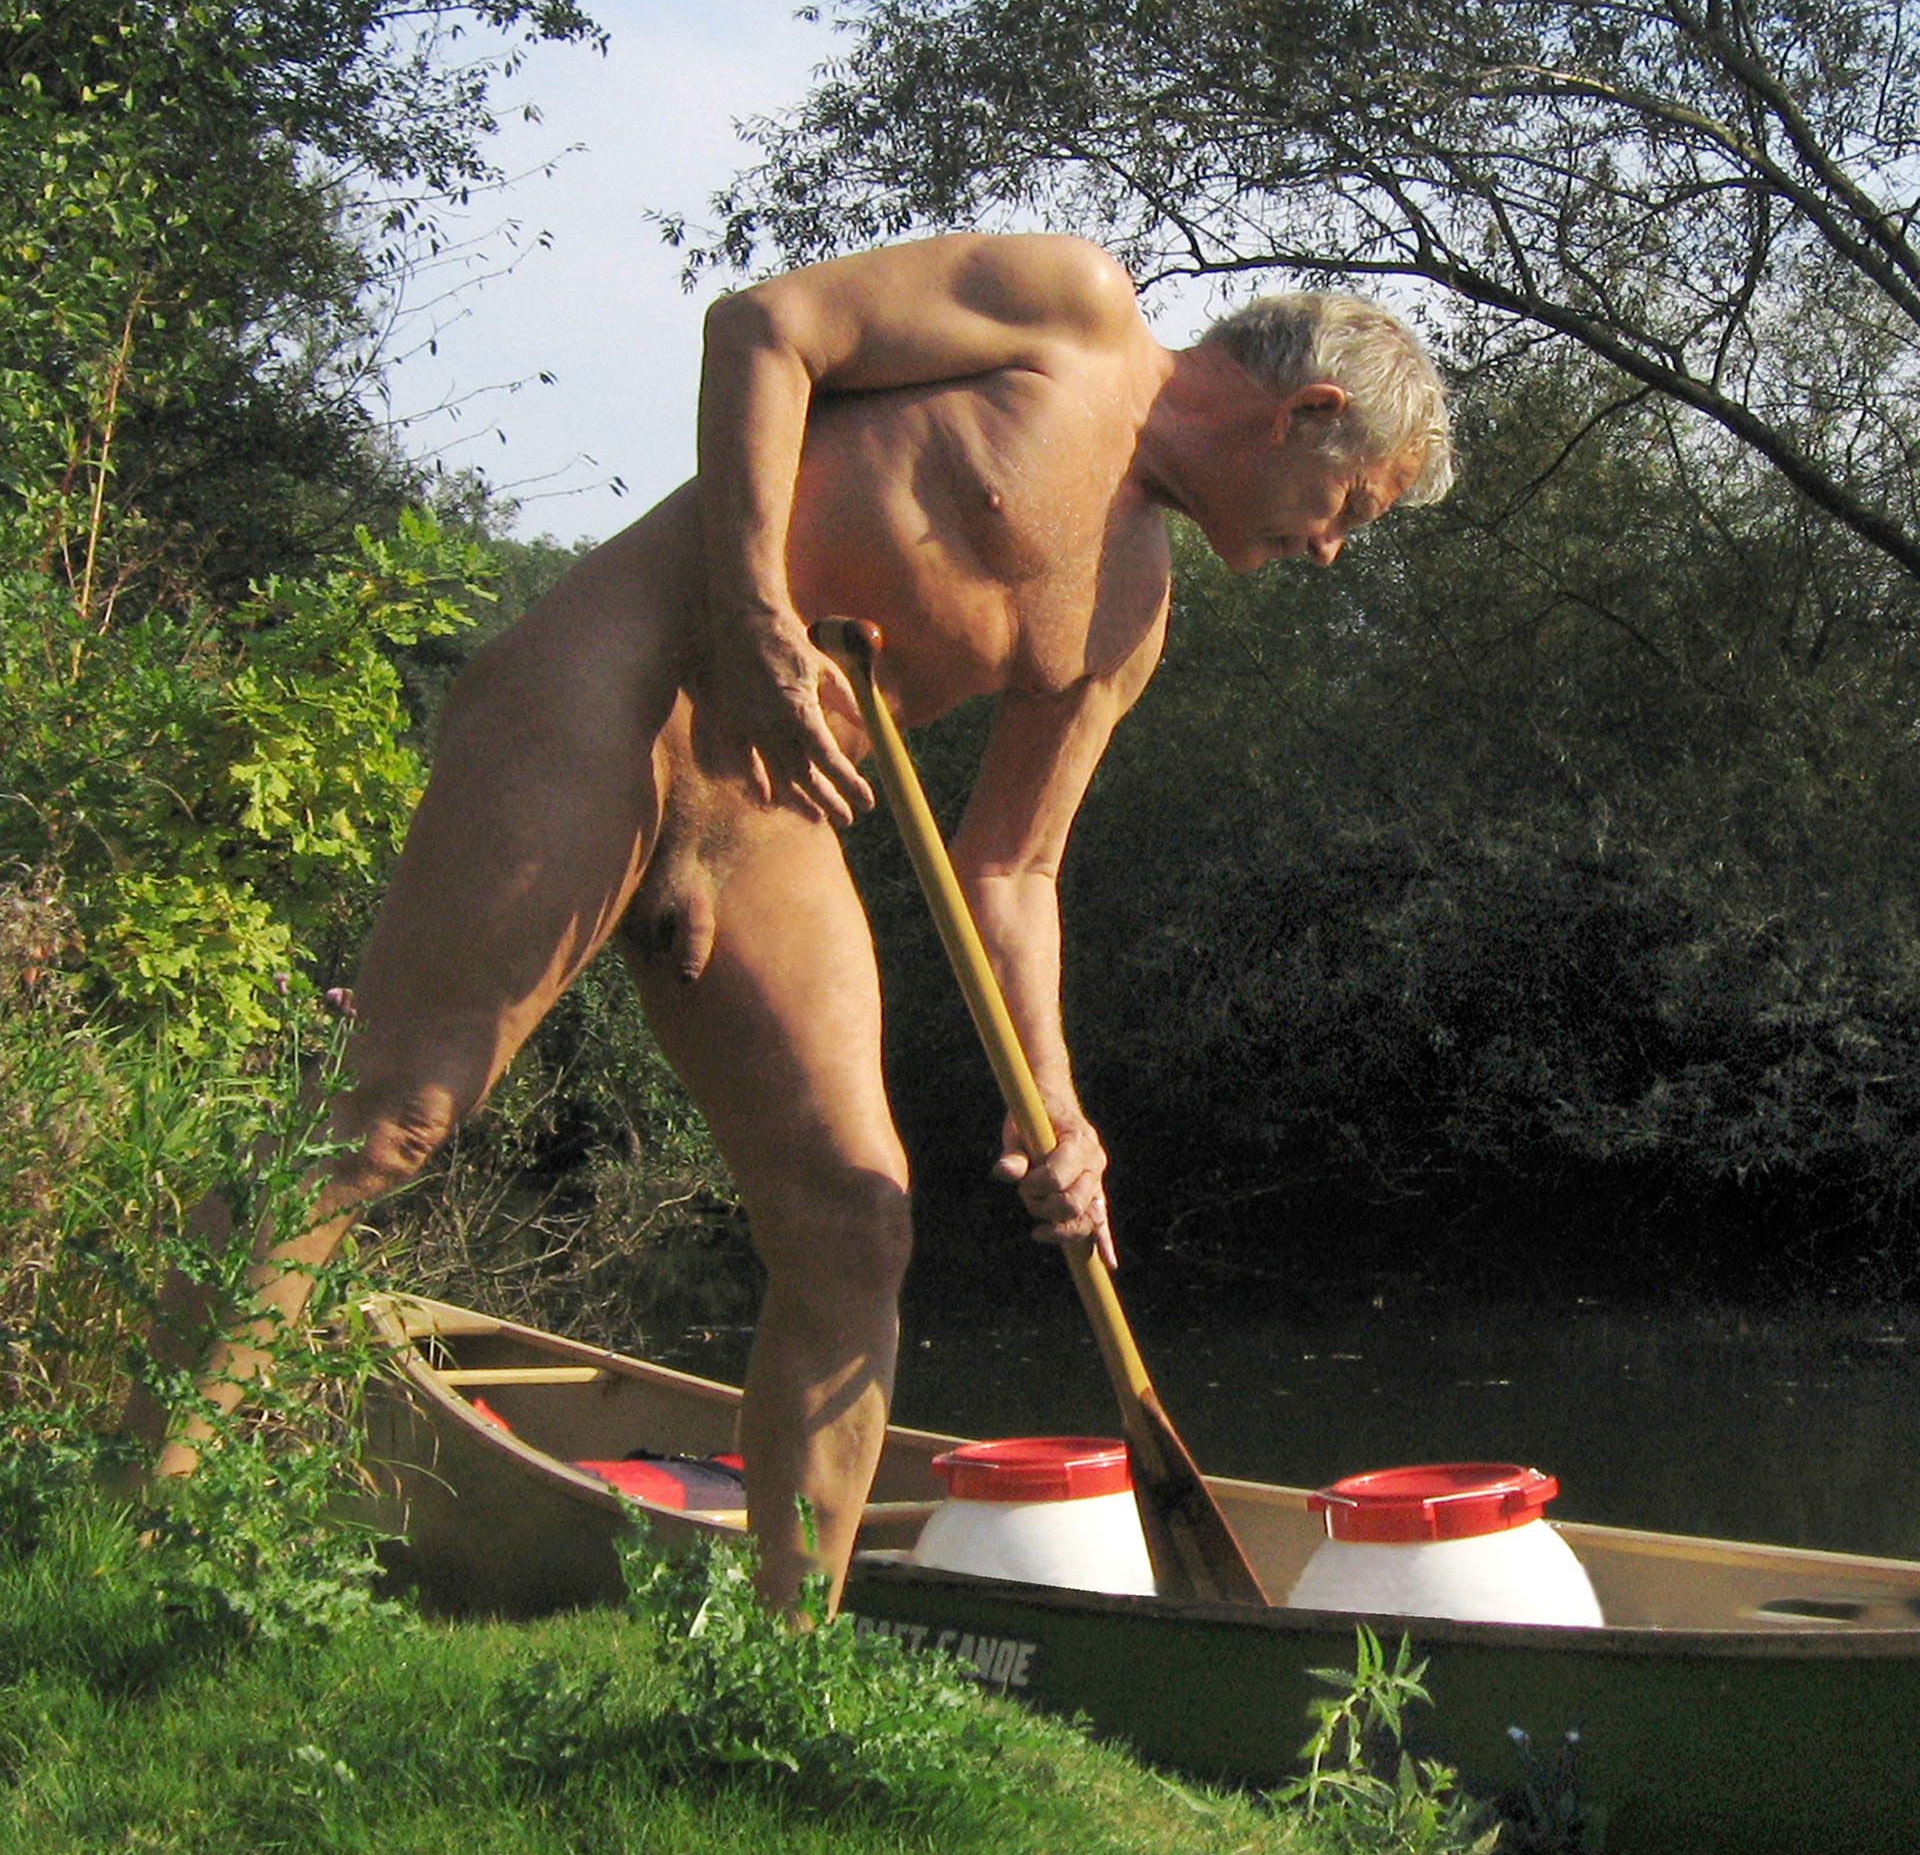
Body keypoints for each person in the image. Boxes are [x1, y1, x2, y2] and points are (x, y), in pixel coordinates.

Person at [156, 232, 1453, 1611]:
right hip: (628, 694)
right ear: (1310, 413)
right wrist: (762, 618)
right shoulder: (1070, 312)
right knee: (393, 1116)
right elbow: (764, 328)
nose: (1326, 551)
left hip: (771, 820)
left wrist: (1056, 1108)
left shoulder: (1131, 615)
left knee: (856, 1220)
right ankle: (136, 1519)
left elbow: (1012, 870)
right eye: (1346, 510)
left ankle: (782, 1673)